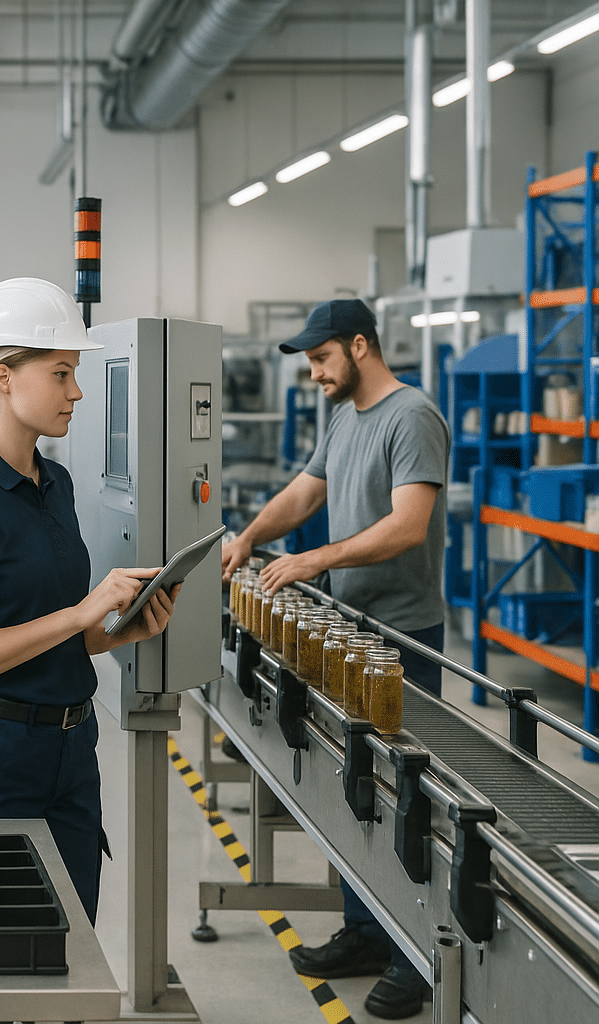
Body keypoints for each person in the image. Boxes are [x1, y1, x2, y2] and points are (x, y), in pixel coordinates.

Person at [0, 277, 179, 923]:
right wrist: (82, 613)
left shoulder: (54, 482)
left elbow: (63, 634)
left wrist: (121, 630)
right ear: (4, 377)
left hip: (69, 750)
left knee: (71, 941)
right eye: (61, 373)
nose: (77, 391)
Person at [220, 297, 449, 1020]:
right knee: (356, 792)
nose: (315, 374)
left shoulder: (411, 416)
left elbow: (409, 526)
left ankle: (418, 958)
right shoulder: (344, 416)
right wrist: (251, 538)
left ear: (359, 345)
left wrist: (316, 559)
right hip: (352, 630)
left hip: (402, 640)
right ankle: (366, 932)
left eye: (321, 360)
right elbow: (305, 492)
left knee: (406, 803)